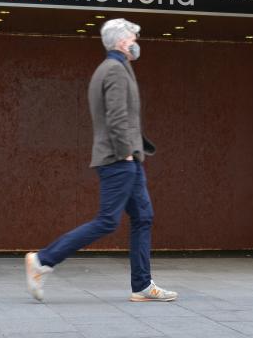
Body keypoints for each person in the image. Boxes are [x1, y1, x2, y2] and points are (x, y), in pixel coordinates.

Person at [24, 18, 177, 303]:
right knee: (107, 221)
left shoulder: (114, 68)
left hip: (128, 158)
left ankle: (142, 285)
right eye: (133, 36)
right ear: (121, 41)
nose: (136, 41)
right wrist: (126, 153)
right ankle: (43, 260)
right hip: (119, 159)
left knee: (143, 217)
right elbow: (117, 116)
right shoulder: (115, 71)